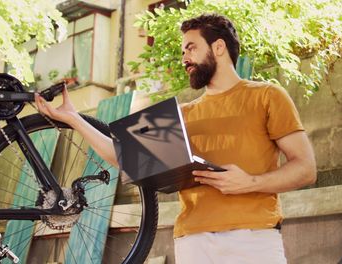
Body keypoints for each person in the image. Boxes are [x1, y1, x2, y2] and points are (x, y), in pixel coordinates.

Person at [36, 13, 316, 264]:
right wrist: (73, 118)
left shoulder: (267, 96)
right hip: (193, 243)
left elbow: (305, 169)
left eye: (191, 48)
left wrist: (250, 183)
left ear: (219, 48)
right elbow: (123, 156)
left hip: (254, 239)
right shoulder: (180, 114)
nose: (184, 58)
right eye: (183, 51)